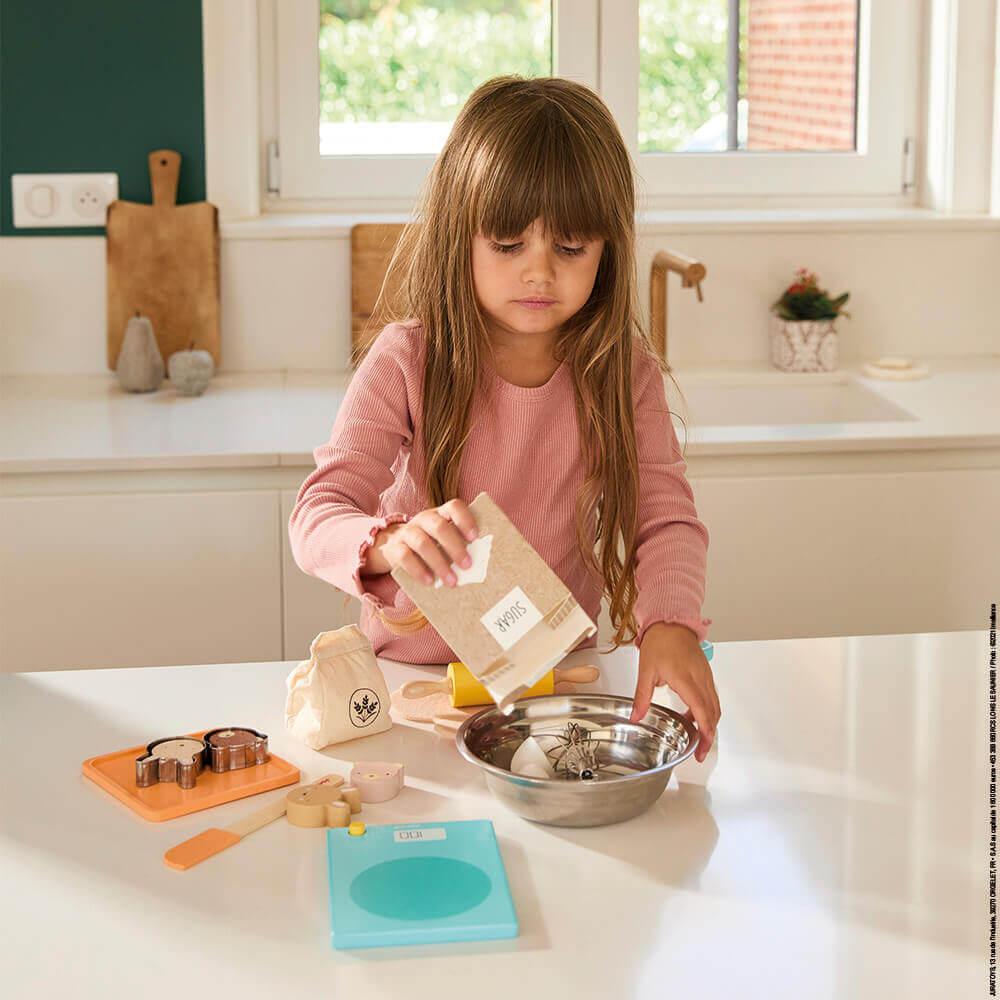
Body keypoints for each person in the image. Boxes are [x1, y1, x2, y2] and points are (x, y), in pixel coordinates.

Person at [288, 75, 720, 760]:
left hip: (555, 683)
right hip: (411, 685)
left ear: (609, 249)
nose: (540, 274)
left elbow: (665, 517)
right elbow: (318, 514)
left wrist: (669, 623)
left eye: (571, 248)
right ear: (461, 235)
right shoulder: (406, 360)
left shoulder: (623, 373)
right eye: (508, 245)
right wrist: (386, 543)